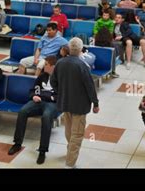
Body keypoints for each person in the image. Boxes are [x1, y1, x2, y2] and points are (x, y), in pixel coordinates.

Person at [50, 37, 99, 169]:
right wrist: (96, 103)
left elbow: (52, 81)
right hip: (80, 105)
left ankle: (69, 152)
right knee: (77, 134)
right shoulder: (83, 65)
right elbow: (90, 86)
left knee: (69, 130)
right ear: (81, 49)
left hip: (65, 102)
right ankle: (70, 163)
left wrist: (61, 91)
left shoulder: (60, 63)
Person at [8, 56, 59, 164]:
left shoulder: (61, 78)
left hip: (52, 104)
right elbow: (33, 90)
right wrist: (33, 97)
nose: (43, 66)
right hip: (38, 101)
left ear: (52, 67)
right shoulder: (42, 77)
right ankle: (17, 143)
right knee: (23, 111)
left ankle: (42, 151)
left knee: (46, 117)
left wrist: (47, 97)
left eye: (46, 64)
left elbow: (61, 96)